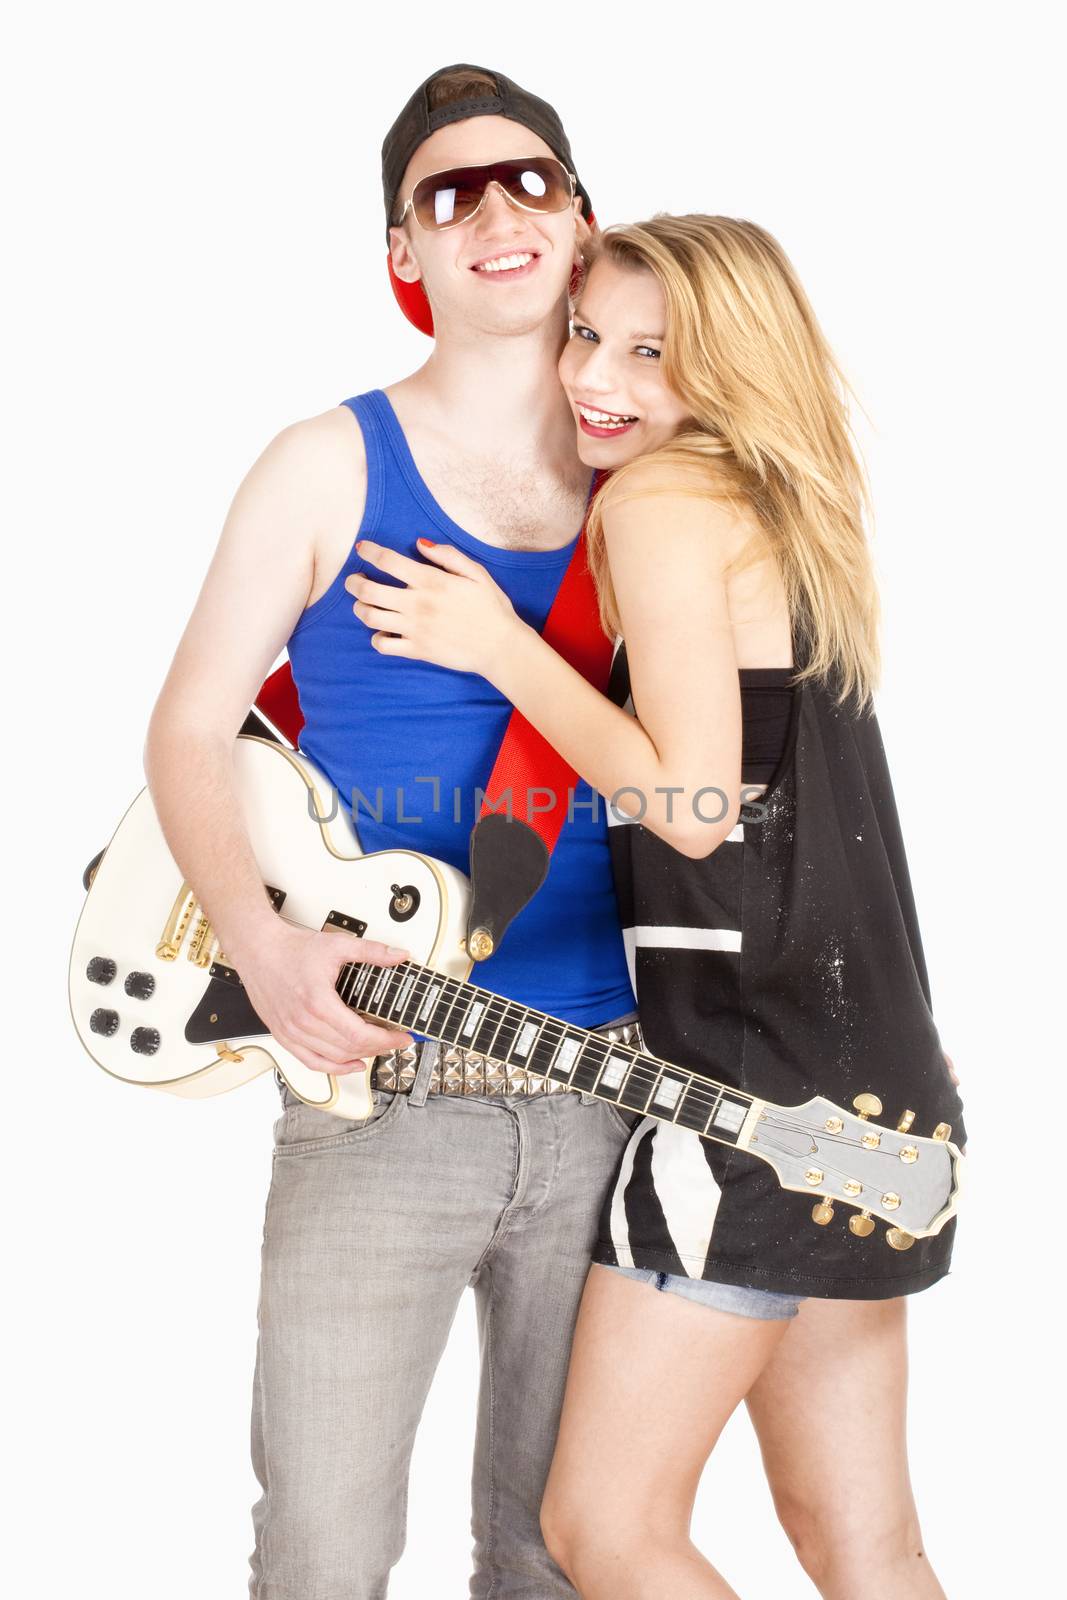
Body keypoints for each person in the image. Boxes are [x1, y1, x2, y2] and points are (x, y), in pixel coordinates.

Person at [347, 213, 968, 1598]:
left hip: (744, 1092)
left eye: (650, 350)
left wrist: (497, 645)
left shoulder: (665, 502)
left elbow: (687, 806)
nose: (597, 376)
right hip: (875, 1087)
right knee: (868, 1546)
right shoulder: (785, 507)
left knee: (606, 1529)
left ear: (732, 369)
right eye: (586, 333)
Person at [143, 62, 646, 1599]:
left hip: (609, 1081)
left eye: (530, 182)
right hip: (380, 1087)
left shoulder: (658, 482)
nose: (495, 210)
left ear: (582, 223)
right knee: (321, 1548)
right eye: (450, 194)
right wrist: (265, 945)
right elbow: (184, 729)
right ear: (403, 256)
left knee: (558, 1552)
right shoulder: (322, 462)